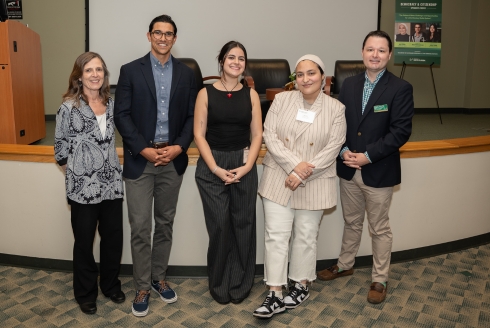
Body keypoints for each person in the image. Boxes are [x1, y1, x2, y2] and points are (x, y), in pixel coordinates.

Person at [317, 31, 414, 304]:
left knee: (379, 228)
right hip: (348, 167)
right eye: (370, 49)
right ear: (362, 52)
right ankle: (345, 263)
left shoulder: (400, 88)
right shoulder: (348, 85)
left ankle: (380, 278)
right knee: (351, 222)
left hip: (377, 170)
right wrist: (345, 151)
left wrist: (367, 156)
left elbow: (400, 132)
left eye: (381, 50)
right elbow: (339, 124)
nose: (375, 55)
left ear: (389, 55)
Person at [114, 14, 197, 317]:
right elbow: (121, 115)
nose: (163, 38)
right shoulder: (130, 71)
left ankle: (158, 278)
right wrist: (144, 149)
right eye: (158, 33)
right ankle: (142, 287)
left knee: (164, 224)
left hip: (171, 160)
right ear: (149, 36)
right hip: (141, 161)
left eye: (169, 34)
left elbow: (191, 117)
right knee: (140, 227)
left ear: (175, 38)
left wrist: (178, 147)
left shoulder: (187, 75)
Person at [253, 54, 347, 318]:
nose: (305, 79)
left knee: (306, 235)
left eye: (311, 73)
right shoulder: (281, 100)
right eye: (300, 74)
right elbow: (269, 135)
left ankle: (301, 283)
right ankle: (274, 292)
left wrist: (303, 174)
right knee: (276, 236)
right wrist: (295, 167)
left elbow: (333, 147)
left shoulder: (335, 108)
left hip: (314, 181)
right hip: (279, 177)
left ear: (323, 77)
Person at [54, 52, 125, 315]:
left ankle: (110, 285)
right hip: (82, 189)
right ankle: (85, 293)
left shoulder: (113, 104)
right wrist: (76, 175)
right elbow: (60, 150)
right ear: (79, 76)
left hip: (112, 186)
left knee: (113, 239)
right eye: (89, 70)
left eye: (99, 70)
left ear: (105, 76)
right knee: (84, 242)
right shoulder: (68, 107)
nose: (95, 75)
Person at [194, 41, 262, 305]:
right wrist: (215, 169)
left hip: (244, 162)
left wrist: (246, 167)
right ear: (221, 61)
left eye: (241, 58)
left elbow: (257, 134)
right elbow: (198, 134)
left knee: (244, 225)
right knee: (221, 226)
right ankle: (220, 281)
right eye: (231, 57)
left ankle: (241, 281)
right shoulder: (205, 93)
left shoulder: (252, 94)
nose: (236, 62)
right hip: (213, 164)